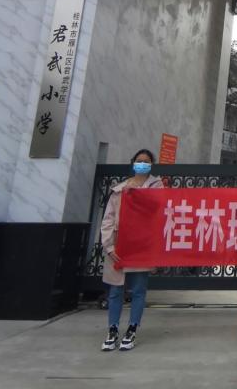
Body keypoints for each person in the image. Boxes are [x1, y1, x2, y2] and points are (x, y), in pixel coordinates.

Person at [99, 148, 163, 352]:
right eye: (139, 160)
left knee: (138, 290)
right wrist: (109, 246)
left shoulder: (156, 187)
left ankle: (132, 329)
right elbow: (108, 219)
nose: (142, 164)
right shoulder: (119, 190)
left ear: (151, 165)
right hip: (118, 246)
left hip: (141, 246)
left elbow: (158, 211)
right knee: (115, 290)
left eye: (146, 161)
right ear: (133, 163)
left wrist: (138, 194)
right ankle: (112, 330)